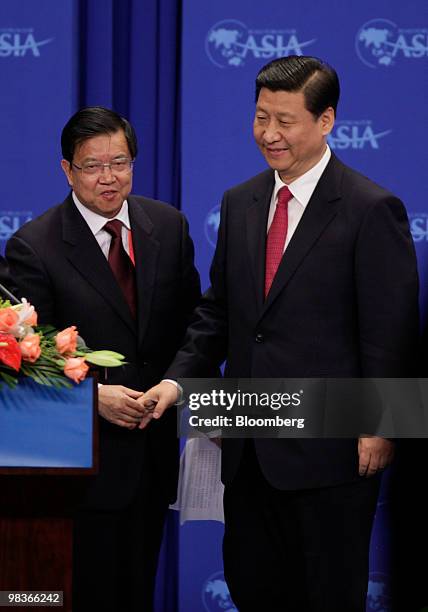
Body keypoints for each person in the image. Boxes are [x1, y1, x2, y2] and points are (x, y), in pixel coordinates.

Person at [138, 56, 419, 611]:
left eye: (285, 120)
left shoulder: (370, 207)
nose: (269, 134)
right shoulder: (240, 202)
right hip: (248, 445)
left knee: (325, 596)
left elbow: (393, 328)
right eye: (261, 117)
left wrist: (385, 425)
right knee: (255, 589)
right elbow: (217, 313)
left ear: (327, 120)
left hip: (332, 451)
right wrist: (176, 383)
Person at [5, 107, 201, 612]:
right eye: (93, 166)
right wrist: (92, 398)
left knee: (137, 593)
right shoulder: (35, 246)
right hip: (79, 471)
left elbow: (195, 330)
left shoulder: (169, 227)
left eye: (120, 162)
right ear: (67, 170)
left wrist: (176, 385)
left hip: (153, 459)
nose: (109, 178)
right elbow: (24, 365)